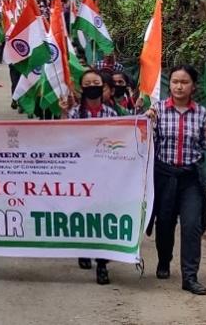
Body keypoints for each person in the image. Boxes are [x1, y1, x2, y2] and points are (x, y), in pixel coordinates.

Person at [146, 65, 206, 296]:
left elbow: (205, 146)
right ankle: (164, 260)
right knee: (164, 223)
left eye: (184, 82)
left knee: (191, 225)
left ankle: (190, 276)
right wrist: (147, 123)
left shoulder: (202, 114)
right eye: (175, 81)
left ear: (193, 86)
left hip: (190, 178)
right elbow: (148, 142)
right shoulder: (157, 110)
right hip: (164, 176)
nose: (178, 86)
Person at [60, 69, 119, 285]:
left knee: (102, 217)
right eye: (88, 83)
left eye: (97, 83)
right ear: (82, 88)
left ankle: (102, 264)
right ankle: (83, 248)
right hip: (81, 175)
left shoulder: (112, 114)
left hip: (104, 176)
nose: (93, 86)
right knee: (84, 215)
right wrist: (64, 114)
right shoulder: (76, 113)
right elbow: (64, 140)